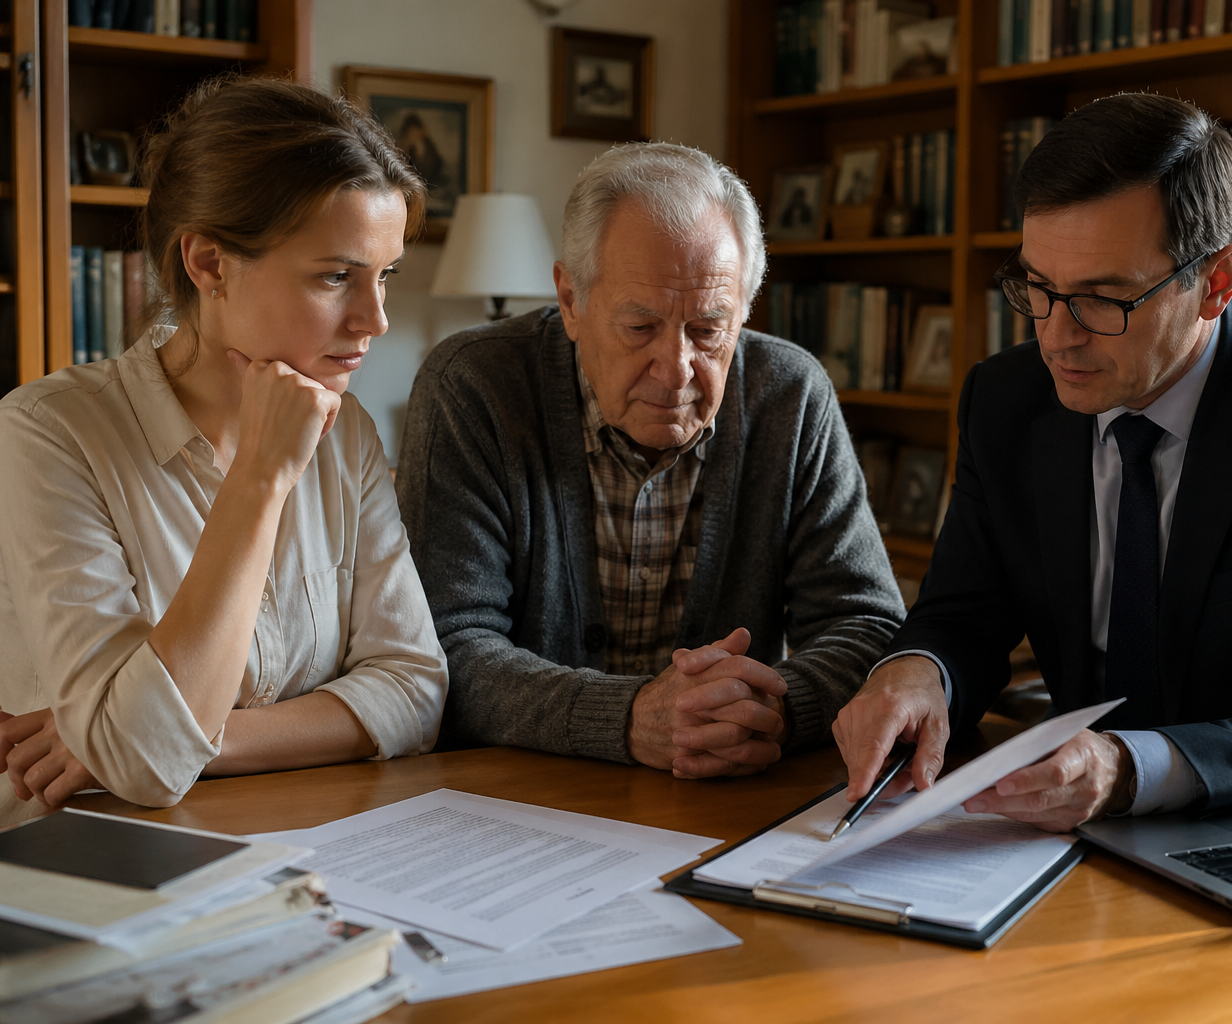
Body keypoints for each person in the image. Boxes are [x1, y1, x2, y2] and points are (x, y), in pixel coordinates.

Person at [833, 93, 1232, 831]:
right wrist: (913, 674)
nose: (1057, 338)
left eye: (1101, 299)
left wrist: (1128, 766)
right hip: (1062, 831)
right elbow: (964, 615)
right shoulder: (1007, 398)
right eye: (1039, 289)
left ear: (1216, 282)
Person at [0, 78, 449, 824]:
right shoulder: (49, 432)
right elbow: (143, 768)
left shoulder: (350, 432)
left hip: (296, 846)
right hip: (82, 870)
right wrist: (262, 478)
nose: (375, 320)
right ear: (209, 265)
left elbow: (413, 690)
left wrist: (162, 739)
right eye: (336, 276)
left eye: (384, 277)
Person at [395, 142, 906, 778]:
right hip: (518, 791)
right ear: (572, 299)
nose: (676, 369)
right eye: (640, 327)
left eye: (708, 328)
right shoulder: (472, 385)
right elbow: (445, 648)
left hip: (724, 792)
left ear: (744, 309)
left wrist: (771, 711)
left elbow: (867, 626)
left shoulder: (791, 395)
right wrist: (631, 717)